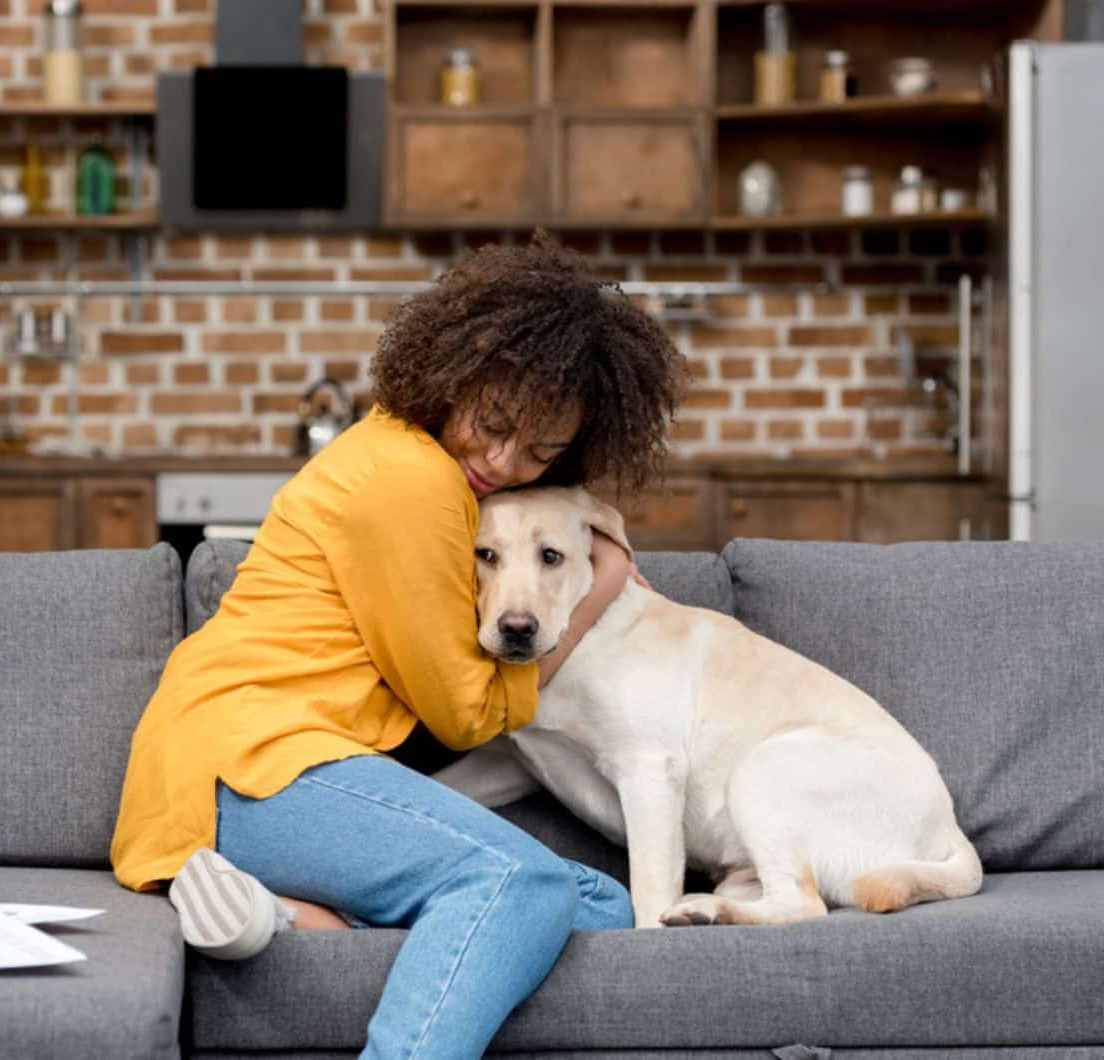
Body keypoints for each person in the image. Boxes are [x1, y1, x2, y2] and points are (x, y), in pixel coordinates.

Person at [111, 234, 688, 1059]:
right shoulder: (408, 480)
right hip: (248, 762)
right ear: (457, 370)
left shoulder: (421, 463)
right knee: (517, 881)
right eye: (494, 426)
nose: (502, 461)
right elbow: (464, 713)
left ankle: (291, 911)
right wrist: (602, 581)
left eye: (540, 452)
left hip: (279, 772)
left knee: (601, 902)